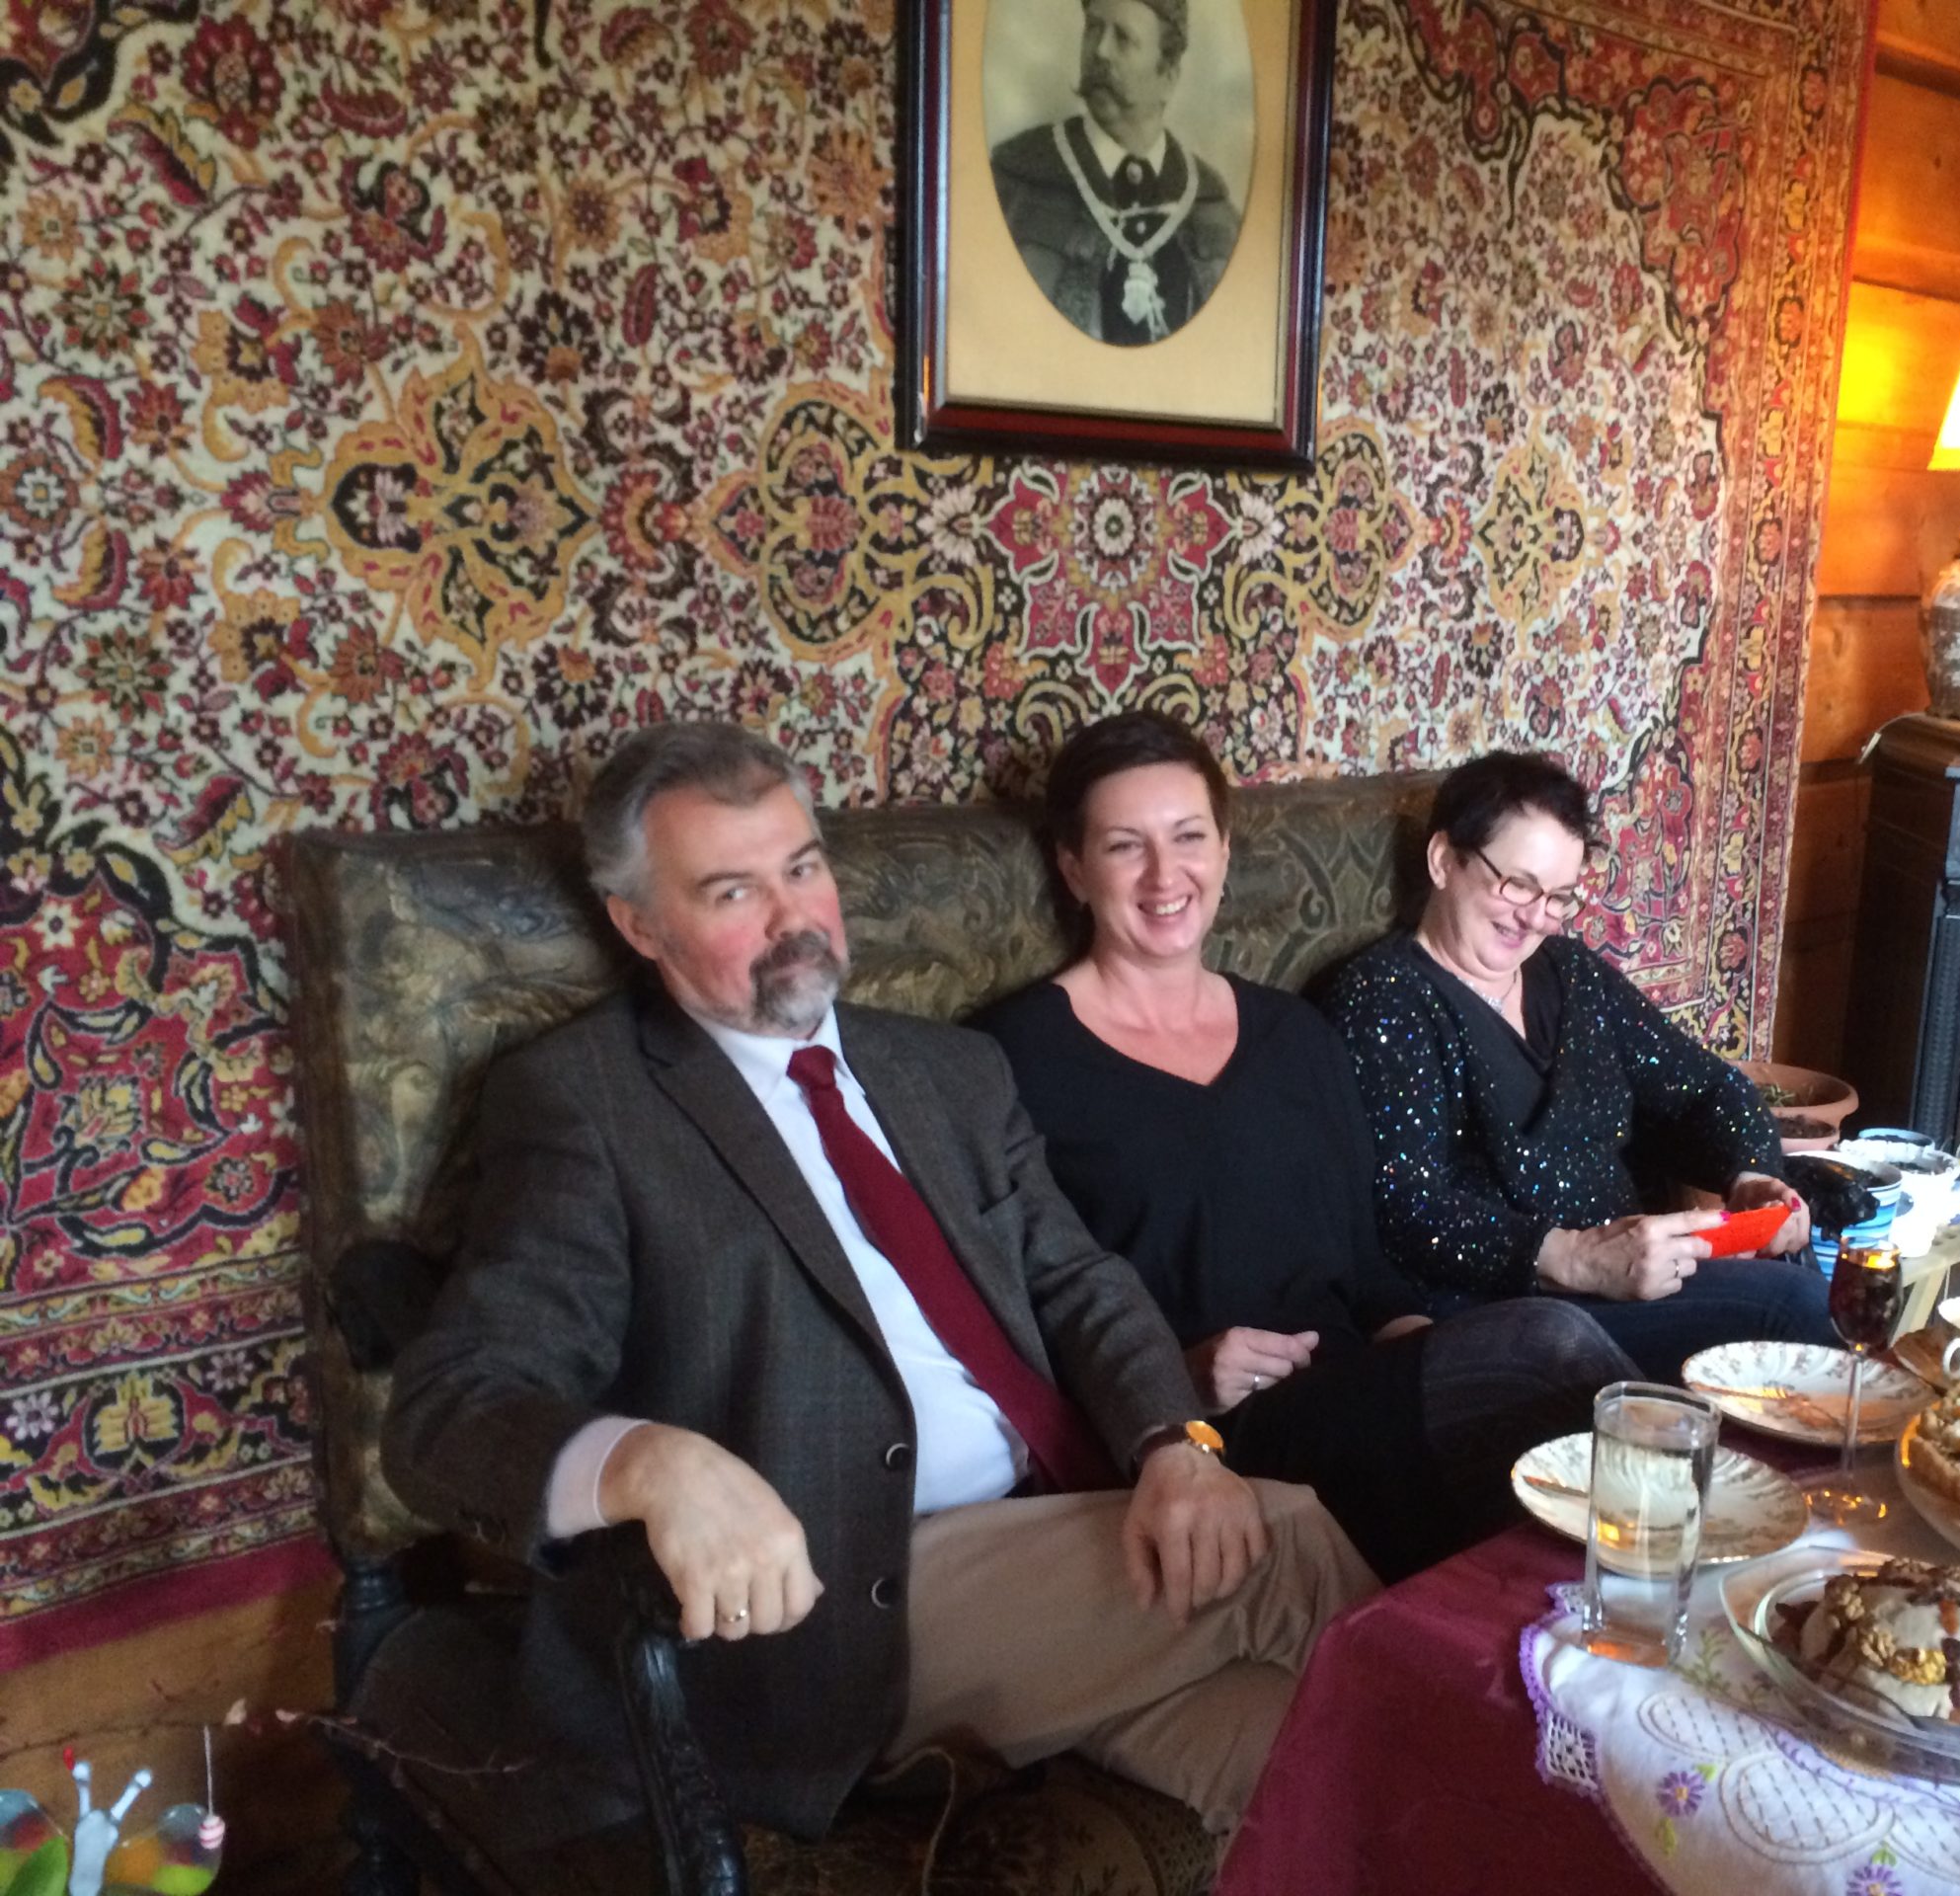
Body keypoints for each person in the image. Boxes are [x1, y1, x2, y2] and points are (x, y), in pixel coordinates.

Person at [381, 722, 1375, 1847]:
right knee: (1289, 1549)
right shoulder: (588, 1106)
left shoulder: (945, 1069)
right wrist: (648, 1463)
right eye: (732, 891)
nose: (793, 916)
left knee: (1324, 1761)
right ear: (638, 924)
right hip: (846, 1598)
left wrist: (1173, 1445)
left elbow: (1078, 1280)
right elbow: (448, 1406)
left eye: (803, 868)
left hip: (1060, 1537)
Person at [974, 713, 1634, 1581]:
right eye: (1125, 846)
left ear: (1224, 850)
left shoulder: (1295, 1035)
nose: (1165, 875)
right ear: (1073, 868)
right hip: (1211, 1435)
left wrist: (1438, 1351)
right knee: (1549, 1352)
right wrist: (1176, 1382)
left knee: (1541, 1382)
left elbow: (1367, 1267)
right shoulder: (1009, 1060)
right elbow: (1011, 1319)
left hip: (1355, 1392)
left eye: (1188, 837)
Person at [1320, 750, 1838, 1380]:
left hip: (1633, 1282)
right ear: (1443, 860)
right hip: (1508, 1311)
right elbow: (1406, 1203)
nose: (1534, 917)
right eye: (1518, 885)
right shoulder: (1382, 997)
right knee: (1797, 1310)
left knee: (1814, 1290)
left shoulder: (1571, 975)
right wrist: (1572, 1257)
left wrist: (1751, 1174)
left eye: (1558, 898)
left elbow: (1707, 1087)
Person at [988, 0, 1242, 345]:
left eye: (1123, 38)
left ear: (1168, 77)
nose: (1100, 51)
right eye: (1093, 29)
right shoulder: (1013, 184)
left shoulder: (1213, 211)